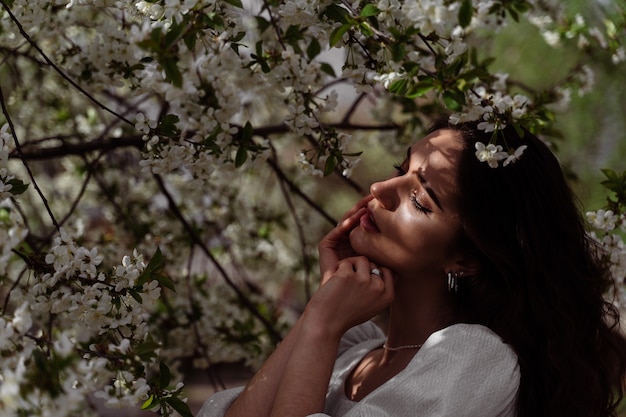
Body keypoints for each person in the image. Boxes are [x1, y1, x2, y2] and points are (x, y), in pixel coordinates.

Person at [197, 119, 626, 417]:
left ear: (467, 258)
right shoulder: (352, 350)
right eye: (400, 170)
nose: (380, 189)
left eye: (421, 200)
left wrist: (322, 326)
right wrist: (318, 314)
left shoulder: (473, 359)